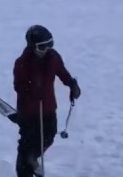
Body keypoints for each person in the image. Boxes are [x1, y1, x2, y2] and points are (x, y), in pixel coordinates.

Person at [14, 25, 80, 177]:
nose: (47, 49)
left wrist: (72, 84)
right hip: (29, 111)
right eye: (43, 46)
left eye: (50, 44)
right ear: (33, 46)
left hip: (48, 107)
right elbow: (18, 86)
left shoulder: (53, 57)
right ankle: (24, 171)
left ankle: (32, 157)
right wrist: (32, 89)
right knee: (27, 143)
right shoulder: (22, 63)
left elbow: (62, 72)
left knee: (48, 137)